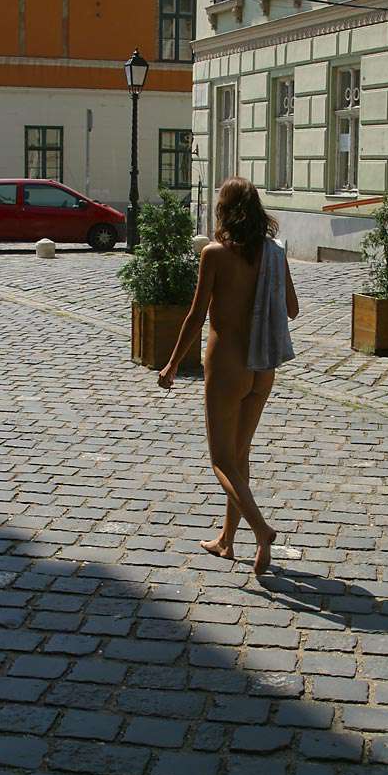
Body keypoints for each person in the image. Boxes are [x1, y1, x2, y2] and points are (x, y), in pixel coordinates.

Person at [158, 176, 299, 577]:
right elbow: (292, 309)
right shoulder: (274, 253)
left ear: (224, 210)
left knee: (221, 459)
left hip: (226, 365)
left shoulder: (214, 254)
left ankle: (261, 530)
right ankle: (227, 540)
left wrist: (172, 363)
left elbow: (196, 316)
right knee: (240, 457)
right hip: (262, 367)